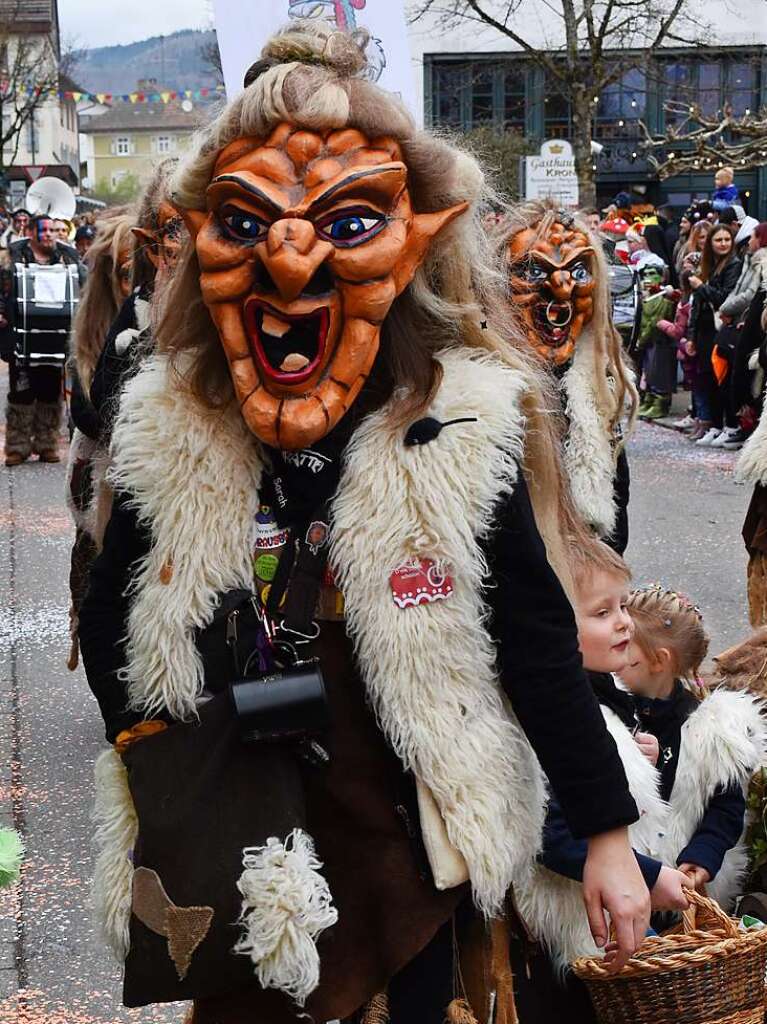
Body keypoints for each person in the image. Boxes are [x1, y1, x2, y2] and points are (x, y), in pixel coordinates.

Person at [79, 23, 650, 1024]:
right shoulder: (169, 420)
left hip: (405, 839)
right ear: (206, 231)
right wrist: (171, 783)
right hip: (243, 833)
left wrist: (605, 831)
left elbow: (532, 638)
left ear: (414, 234)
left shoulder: (463, 421)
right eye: (247, 223)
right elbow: (113, 622)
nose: (291, 269)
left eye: (344, 225)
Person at [513, 541, 689, 1024]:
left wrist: (639, 752)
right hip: (581, 925)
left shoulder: (610, 696)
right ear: (555, 628)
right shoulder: (557, 719)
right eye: (602, 611)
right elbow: (551, 834)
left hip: (617, 905)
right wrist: (651, 875)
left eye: (624, 606)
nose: (624, 622)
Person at [501, 202, 637, 552]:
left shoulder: (596, 384)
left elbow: (615, 495)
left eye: (578, 272)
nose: (561, 288)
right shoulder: (483, 388)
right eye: (532, 271)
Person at [623, 586, 764, 908]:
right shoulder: (602, 706)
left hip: (678, 891)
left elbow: (726, 809)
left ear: (659, 660)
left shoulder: (710, 733)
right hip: (618, 877)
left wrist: (701, 858)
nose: (612, 646)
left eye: (625, 645)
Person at [0, 213, 85, 465]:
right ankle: (17, 446)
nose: (49, 234)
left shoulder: (68, 257)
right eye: (43, 230)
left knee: (50, 392)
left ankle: (46, 444)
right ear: (31, 233)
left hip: (55, 337)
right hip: (22, 337)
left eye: (51, 231)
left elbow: (83, 288)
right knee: (21, 392)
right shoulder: (12, 257)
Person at [686, 223, 741, 445]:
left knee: (721, 378)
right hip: (705, 330)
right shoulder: (709, 265)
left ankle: (727, 425)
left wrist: (700, 286)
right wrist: (691, 336)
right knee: (708, 379)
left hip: (721, 329)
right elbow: (696, 307)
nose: (723, 244)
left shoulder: (733, 265)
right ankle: (715, 425)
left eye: (727, 239)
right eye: (719, 240)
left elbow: (723, 299)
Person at [634, 253, 675, 420]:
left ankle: (660, 403)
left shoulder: (663, 299)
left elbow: (654, 322)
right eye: (645, 274)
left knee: (658, 373)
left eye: (653, 274)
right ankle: (648, 399)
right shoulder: (645, 297)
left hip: (659, 342)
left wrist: (641, 340)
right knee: (648, 372)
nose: (648, 278)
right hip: (647, 343)